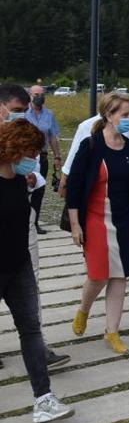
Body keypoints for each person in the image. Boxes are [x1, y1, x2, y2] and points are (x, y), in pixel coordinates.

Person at [65, 92, 129, 354]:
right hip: (96, 219)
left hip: (125, 220)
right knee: (98, 275)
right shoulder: (90, 146)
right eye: (125, 115)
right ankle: (84, 309)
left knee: (120, 276)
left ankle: (112, 331)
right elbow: (74, 189)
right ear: (109, 115)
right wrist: (75, 225)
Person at [0, 117, 75, 423]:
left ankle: (44, 399)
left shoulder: (21, 181)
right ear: (14, 149)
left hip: (19, 269)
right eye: (31, 152)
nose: (35, 159)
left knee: (31, 330)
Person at [0, 84, 70, 371]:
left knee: (31, 283)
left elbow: (30, 171)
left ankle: (38, 348)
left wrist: (27, 177)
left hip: (20, 218)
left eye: (24, 111)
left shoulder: (21, 132)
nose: (21, 117)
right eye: (15, 111)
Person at [25, 85, 62, 234]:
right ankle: (23, 220)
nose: (39, 96)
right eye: (36, 94)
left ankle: (35, 222)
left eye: (42, 94)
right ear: (29, 95)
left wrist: (57, 156)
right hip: (25, 157)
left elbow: (52, 136)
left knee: (39, 190)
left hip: (43, 157)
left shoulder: (49, 114)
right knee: (25, 189)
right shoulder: (22, 113)